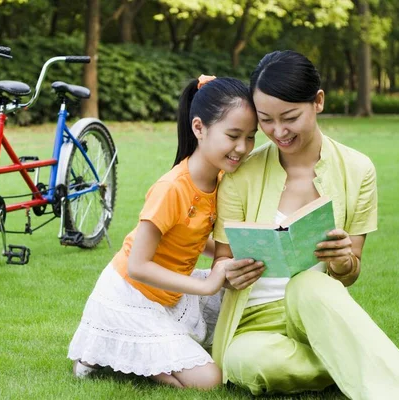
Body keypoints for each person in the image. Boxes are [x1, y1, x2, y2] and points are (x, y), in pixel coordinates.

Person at [210, 50, 399, 399]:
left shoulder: (358, 169)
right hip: (253, 321)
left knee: (309, 284)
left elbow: (349, 273)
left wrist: (343, 261)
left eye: (289, 117)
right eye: (266, 120)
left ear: (317, 101)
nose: (278, 131)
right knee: (248, 362)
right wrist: (229, 271)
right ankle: (380, 364)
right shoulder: (241, 175)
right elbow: (221, 260)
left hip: (316, 307)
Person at [67, 75, 258, 389]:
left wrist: (240, 250)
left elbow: (190, 236)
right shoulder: (172, 188)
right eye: (233, 135)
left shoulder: (221, 180)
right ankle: (109, 352)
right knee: (209, 380)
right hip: (131, 296)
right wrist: (209, 284)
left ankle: (126, 351)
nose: (243, 148)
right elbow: (137, 266)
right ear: (199, 128)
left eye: (250, 137)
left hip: (171, 293)